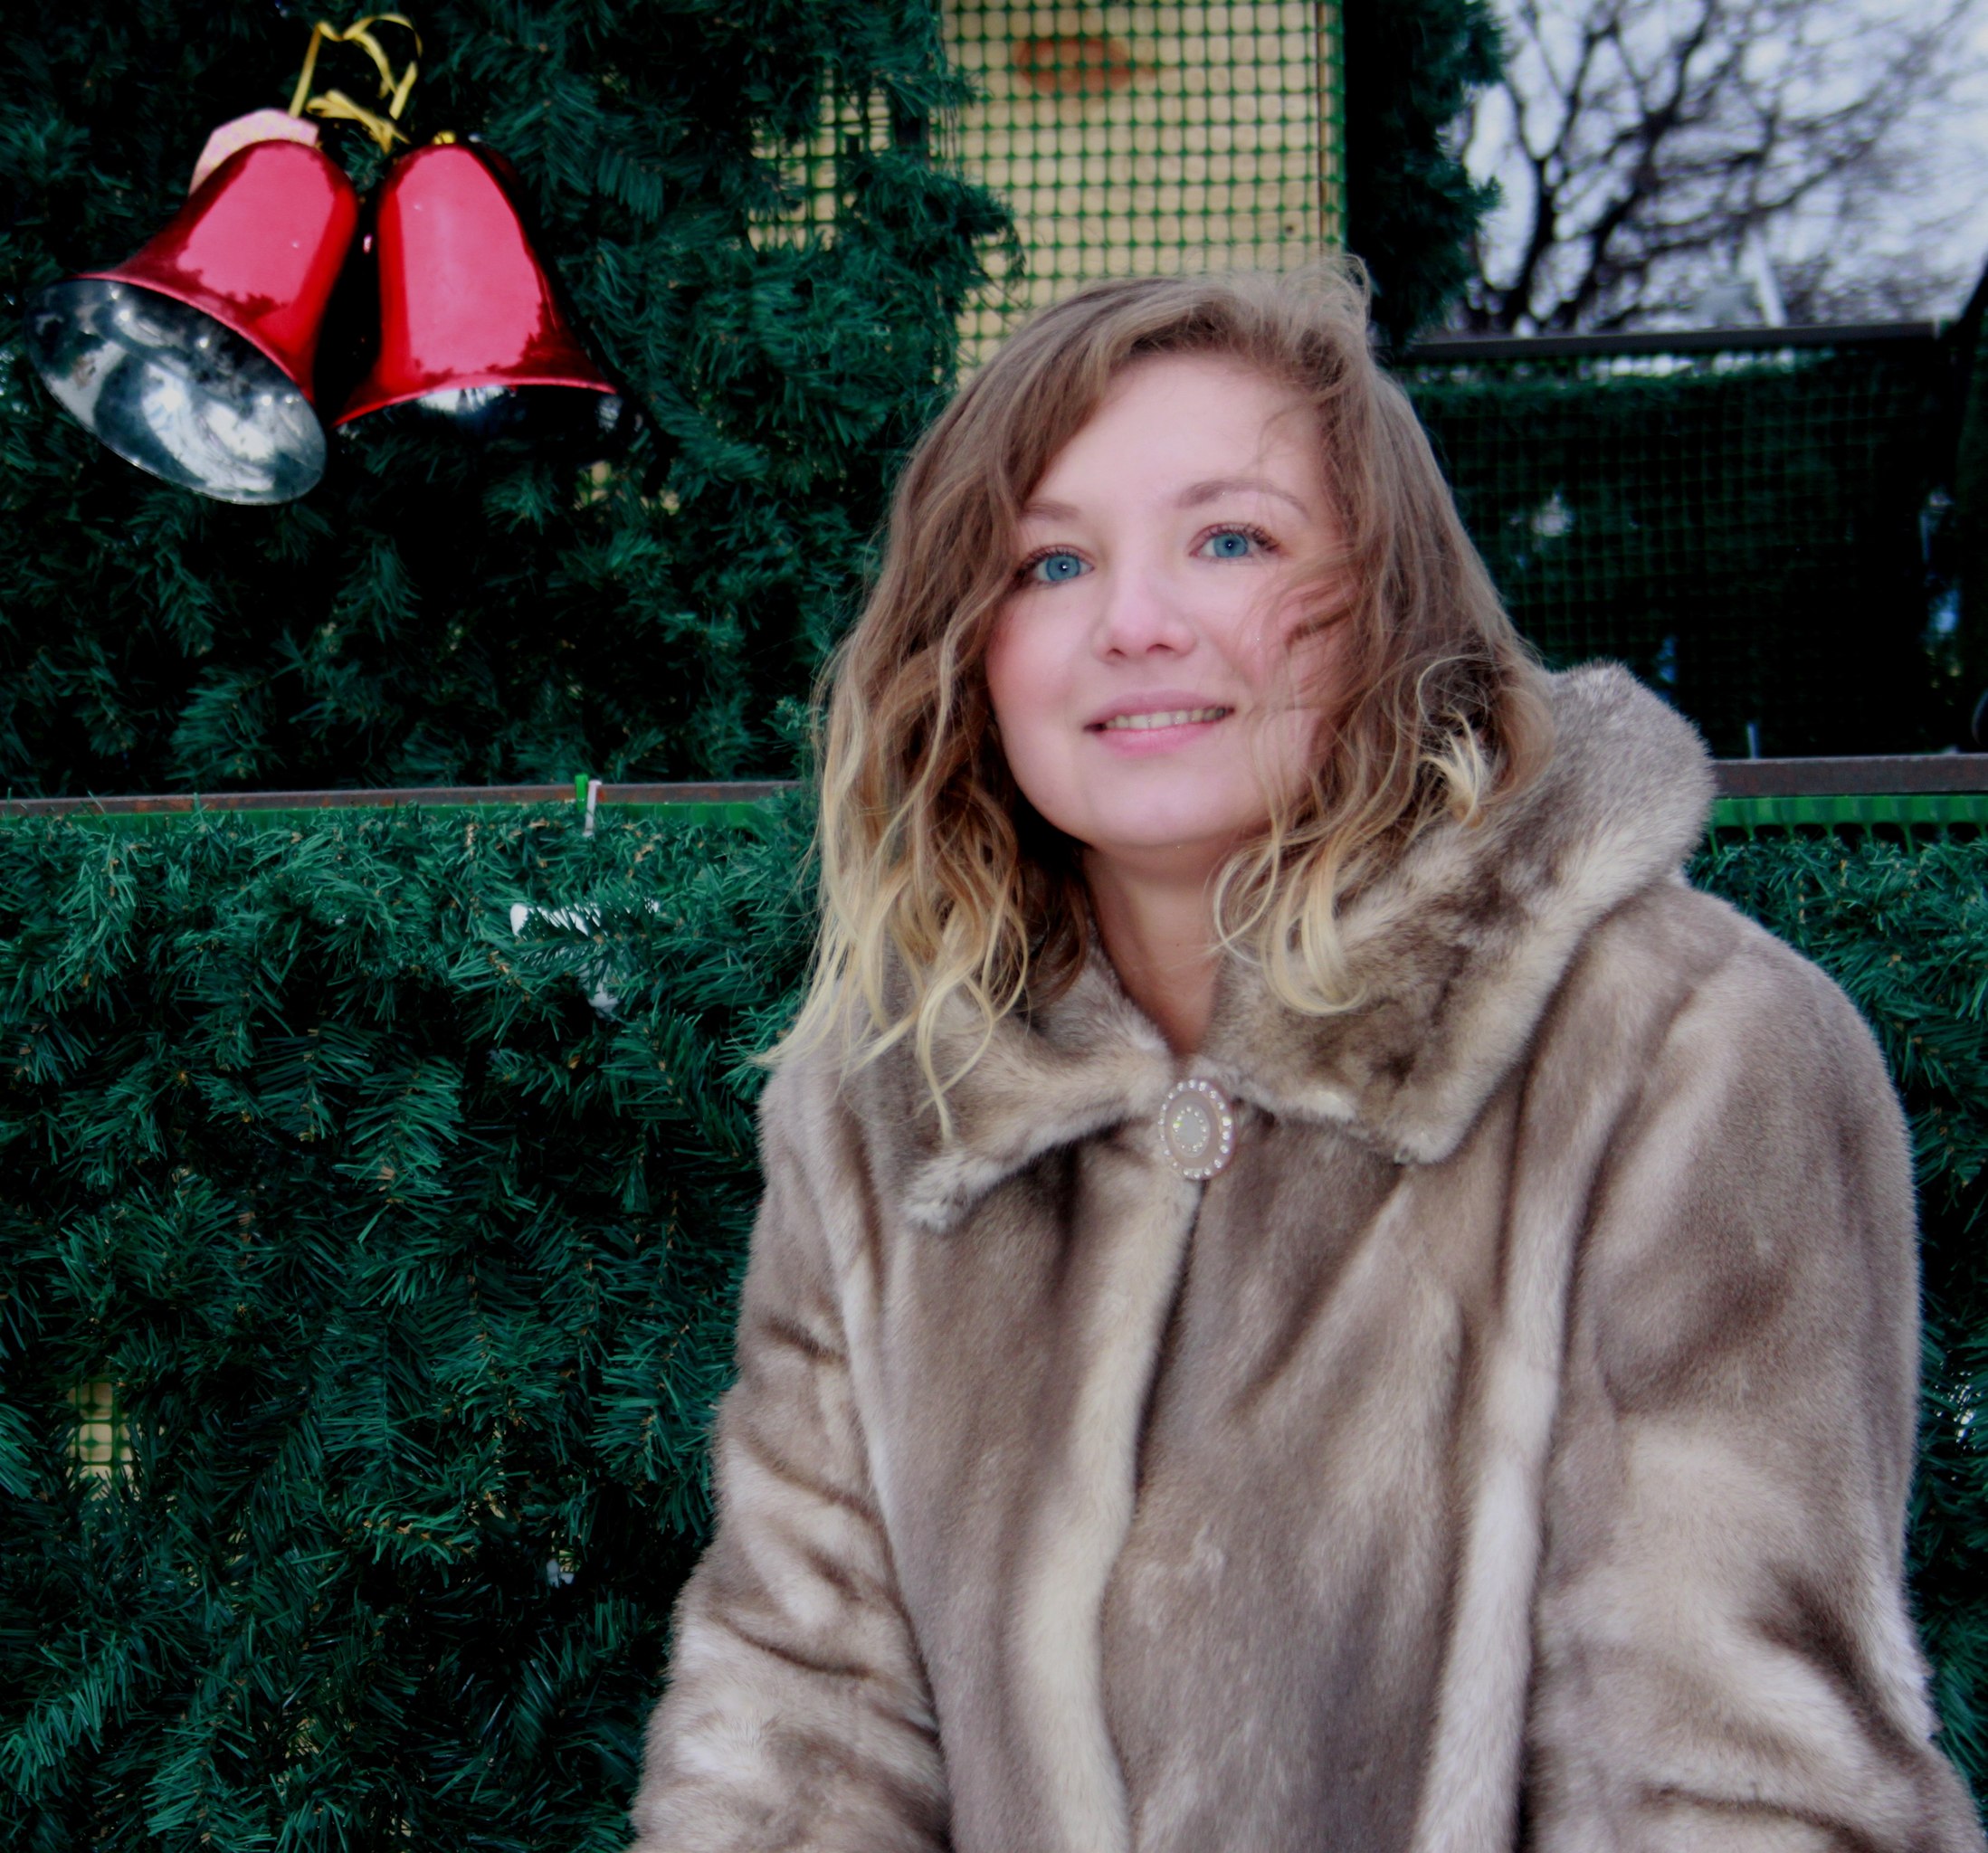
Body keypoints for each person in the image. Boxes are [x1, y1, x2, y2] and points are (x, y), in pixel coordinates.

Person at [626, 261, 1984, 1852]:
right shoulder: (888, 1100)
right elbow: (803, 1719)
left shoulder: (1679, 1045)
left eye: (1231, 541)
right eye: (1050, 563)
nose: (1135, 624)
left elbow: (1726, 1779)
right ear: (966, 649)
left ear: (1389, 602)